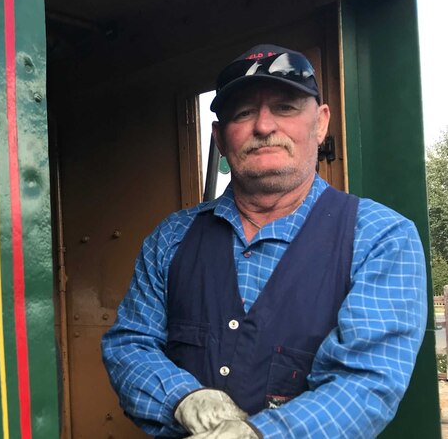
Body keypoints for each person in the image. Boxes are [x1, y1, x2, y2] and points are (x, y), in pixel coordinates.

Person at [101, 44, 427, 438]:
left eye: (286, 107)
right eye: (243, 113)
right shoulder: (171, 237)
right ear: (220, 138)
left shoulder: (379, 237)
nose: (264, 126)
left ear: (320, 123)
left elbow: (365, 383)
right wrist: (182, 398)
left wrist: (259, 435)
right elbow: (130, 343)